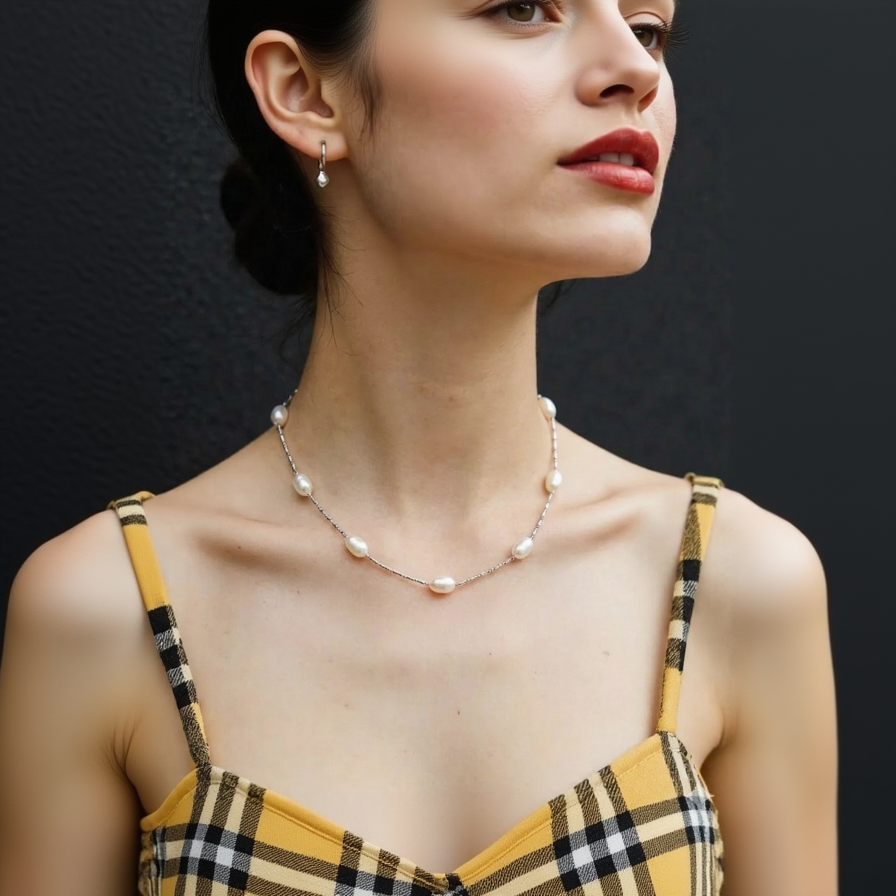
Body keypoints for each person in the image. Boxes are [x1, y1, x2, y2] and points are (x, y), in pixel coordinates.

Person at [0, 1, 837, 894]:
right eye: (523, 8)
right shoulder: (102, 611)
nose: (636, 71)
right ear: (306, 93)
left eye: (648, 29)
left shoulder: (735, 583)